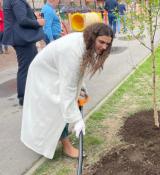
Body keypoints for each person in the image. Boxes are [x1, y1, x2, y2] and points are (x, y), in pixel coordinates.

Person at [21, 23, 114, 159]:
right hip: (44, 74)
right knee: (58, 107)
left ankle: (59, 137)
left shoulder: (84, 42)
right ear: (93, 37)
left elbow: (76, 73)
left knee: (64, 105)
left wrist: (81, 86)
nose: (104, 47)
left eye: (107, 44)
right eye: (101, 42)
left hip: (55, 70)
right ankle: (66, 146)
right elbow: (68, 89)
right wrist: (77, 120)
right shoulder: (73, 51)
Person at [2, 0, 45, 106]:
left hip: (21, 37)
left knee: (31, 66)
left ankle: (29, 94)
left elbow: (19, 16)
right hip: (22, 38)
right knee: (26, 68)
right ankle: (24, 97)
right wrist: (37, 22)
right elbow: (22, 20)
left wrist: (33, 15)